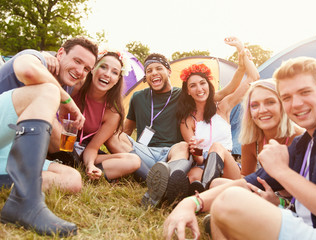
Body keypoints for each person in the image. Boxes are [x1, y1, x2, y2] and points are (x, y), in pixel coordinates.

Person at [163, 57, 316, 240]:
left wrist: (281, 172)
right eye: (287, 97)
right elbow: (247, 182)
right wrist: (191, 203)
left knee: (229, 200)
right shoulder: (304, 144)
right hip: (301, 223)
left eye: (305, 92)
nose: (296, 104)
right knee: (223, 206)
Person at [0, 37, 97, 236]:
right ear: (60, 54)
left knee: (72, 179)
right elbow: (27, 70)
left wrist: (62, 125)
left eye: (87, 69)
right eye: (77, 61)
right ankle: (25, 202)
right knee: (49, 89)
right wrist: (67, 101)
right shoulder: (37, 58)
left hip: (6, 149)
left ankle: (17, 187)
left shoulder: (64, 87)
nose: (80, 71)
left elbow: (55, 148)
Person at [176, 37, 259, 194]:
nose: (199, 88)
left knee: (217, 147)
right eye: (193, 86)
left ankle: (206, 189)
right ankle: (207, 191)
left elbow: (253, 77)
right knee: (193, 176)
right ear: (187, 91)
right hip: (203, 165)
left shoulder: (223, 107)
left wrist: (241, 49)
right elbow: (199, 160)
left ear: (209, 85)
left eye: (202, 83)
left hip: (228, 166)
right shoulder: (187, 120)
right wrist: (196, 150)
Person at [105, 53, 190, 206]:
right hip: (144, 154)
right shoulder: (138, 97)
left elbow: (214, 97)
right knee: (113, 136)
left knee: (183, 146)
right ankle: (157, 181)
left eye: (159, 68)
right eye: (149, 70)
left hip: (171, 154)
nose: (154, 73)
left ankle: (161, 180)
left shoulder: (183, 95)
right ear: (145, 76)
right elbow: (126, 131)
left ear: (169, 71)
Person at [71, 49, 141, 181]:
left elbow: (92, 148)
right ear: (92, 69)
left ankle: (91, 171)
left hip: (83, 153)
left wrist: (90, 164)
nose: (107, 74)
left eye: (114, 72)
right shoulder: (75, 87)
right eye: (103, 67)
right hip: (59, 141)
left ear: (117, 80)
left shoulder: (113, 113)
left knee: (134, 160)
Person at [238, 78, 304, 176]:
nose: (262, 110)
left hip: (297, 190)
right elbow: (245, 177)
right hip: (262, 190)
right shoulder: (252, 140)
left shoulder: (301, 138)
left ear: (283, 105)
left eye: (270, 102)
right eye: (255, 105)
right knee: (218, 182)